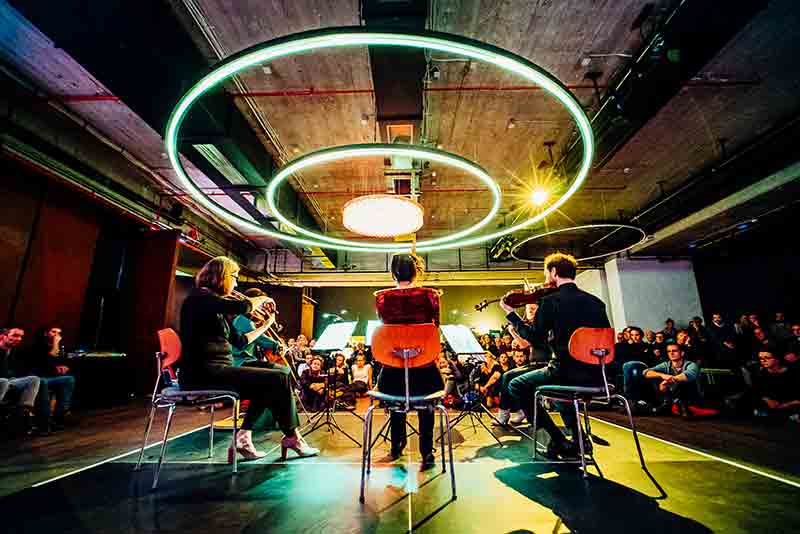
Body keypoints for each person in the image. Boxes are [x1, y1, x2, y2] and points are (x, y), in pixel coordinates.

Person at [180, 256, 317, 462]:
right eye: (235, 277)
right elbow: (242, 307)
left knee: (281, 372)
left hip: (218, 370)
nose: (236, 283)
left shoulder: (216, 309)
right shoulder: (199, 298)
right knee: (277, 379)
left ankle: (245, 436)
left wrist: (266, 324)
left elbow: (241, 341)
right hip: (203, 373)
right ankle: (292, 437)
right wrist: (262, 300)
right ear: (222, 276)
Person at [500, 252, 611, 459]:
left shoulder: (551, 301)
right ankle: (580, 440)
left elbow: (534, 337)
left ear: (553, 272)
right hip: (598, 376)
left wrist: (511, 314)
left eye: (546, 274)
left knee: (516, 384)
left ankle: (559, 440)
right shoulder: (596, 302)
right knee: (560, 393)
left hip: (564, 371)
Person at [374, 253, 443, 467]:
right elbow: (435, 328)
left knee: (396, 400)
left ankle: (396, 446)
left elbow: (386, 332)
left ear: (393, 274)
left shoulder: (382, 298)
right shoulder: (430, 295)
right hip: (425, 375)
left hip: (391, 377)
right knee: (426, 404)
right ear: (415, 271)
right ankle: (426, 452)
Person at [642, 343, 716, 417]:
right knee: (654, 377)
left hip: (693, 399)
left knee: (683, 381)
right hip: (674, 398)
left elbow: (688, 375)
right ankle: (671, 405)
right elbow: (645, 372)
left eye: (674, 351)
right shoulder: (666, 365)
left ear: (682, 353)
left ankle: (686, 408)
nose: (671, 353)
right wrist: (662, 375)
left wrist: (667, 382)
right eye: (669, 351)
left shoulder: (691, 365)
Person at [28, 326, 76, 431]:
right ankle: (46, 418)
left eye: (58, 333)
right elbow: (45, 362)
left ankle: (60, 414)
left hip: (51, 376)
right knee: (44, 382)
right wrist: (55, 343)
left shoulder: (58, 347)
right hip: (38, 377)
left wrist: (63, 366)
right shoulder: (39, 346)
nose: (56, 335)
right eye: (53, 332)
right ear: (46, 333)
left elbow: (59, 361)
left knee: (69, 379)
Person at [0, 328, 40, 433]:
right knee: (4, 381)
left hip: (10, 380)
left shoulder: (15, 351)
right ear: (3, 336)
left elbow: (19, 369)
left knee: (34, 379)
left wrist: (16, 376)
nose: (19, 339)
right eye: (15, 335)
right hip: (3, 380)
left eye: (21, 336)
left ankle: (23, 413)